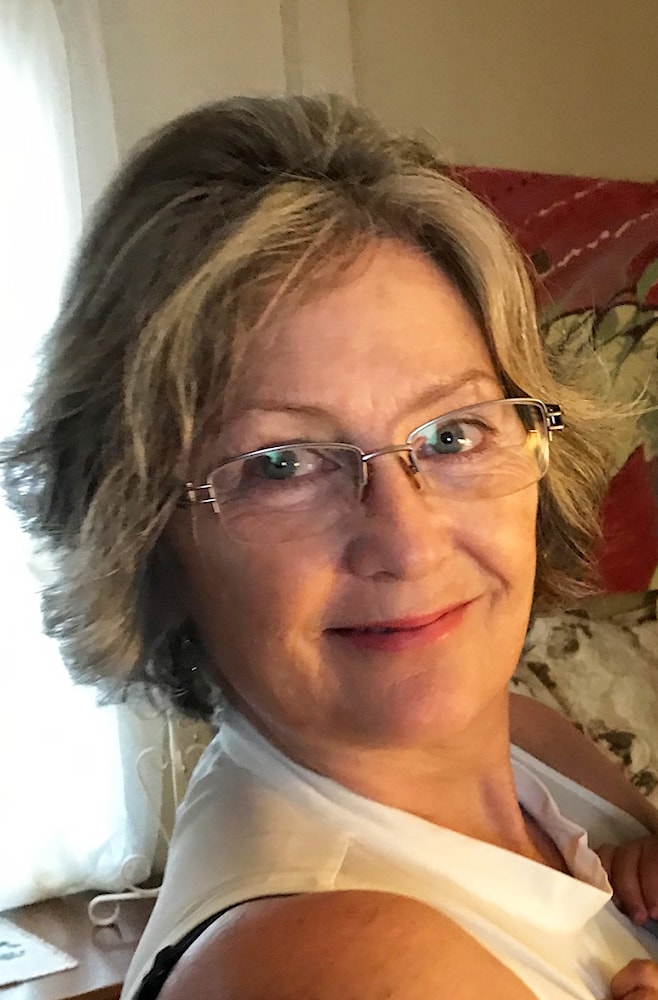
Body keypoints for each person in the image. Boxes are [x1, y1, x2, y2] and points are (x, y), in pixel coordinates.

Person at [3, 94, 658, 1000]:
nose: (407, 540)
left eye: (454, 433)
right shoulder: (344, 962)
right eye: (281, 464)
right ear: (148, 539)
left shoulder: (531, 746)